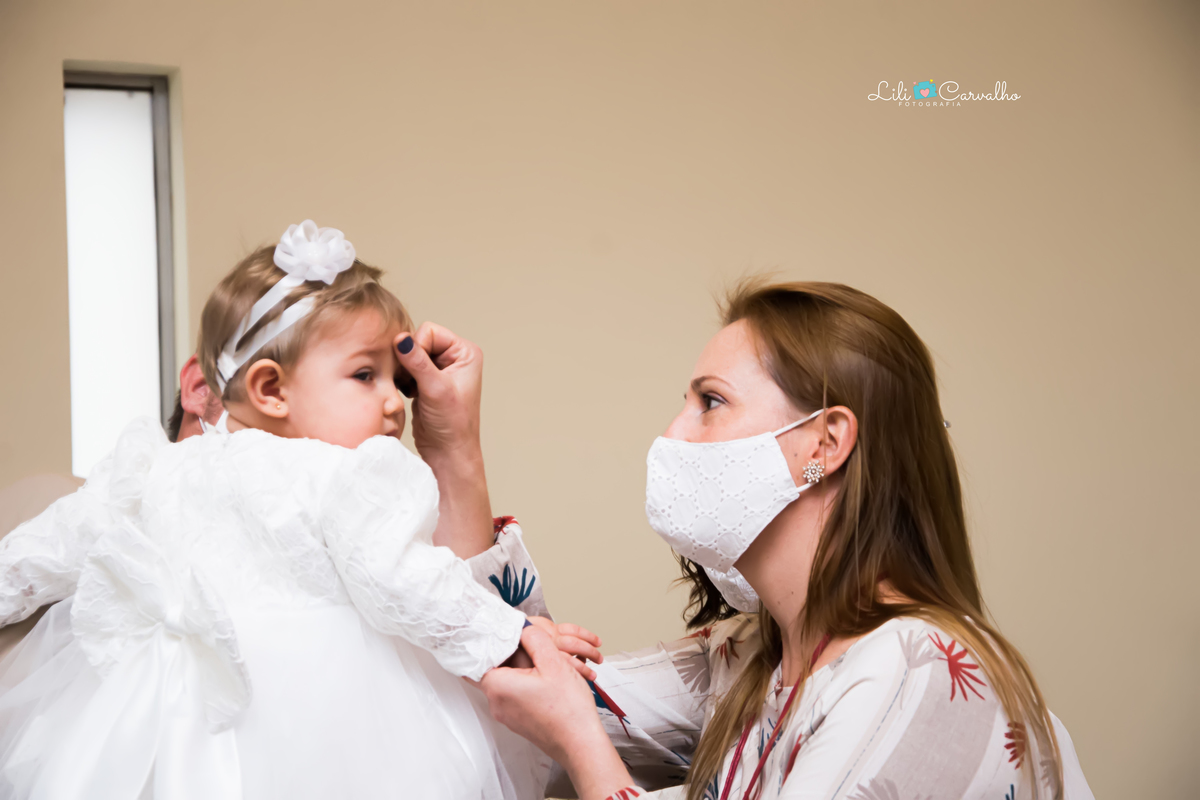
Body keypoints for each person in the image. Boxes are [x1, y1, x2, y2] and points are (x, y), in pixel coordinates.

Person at [0, 221, 597, 799]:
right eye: (366, 375)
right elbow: (408, 581)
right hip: (319, 715)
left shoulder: (153, 469)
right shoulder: (344, 477)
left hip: (165, 719)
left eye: (398, 379)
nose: (395, 402)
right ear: (271, 389)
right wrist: (509, 635)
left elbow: (47, 547)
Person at [471, 281, 1095, 800]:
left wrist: (582, 744)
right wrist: (452, 446)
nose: (672, 434)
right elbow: (515, 698)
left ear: (823, 444)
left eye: (710, 402)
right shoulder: (750, 656)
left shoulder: (919, 671)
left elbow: (571, 725)